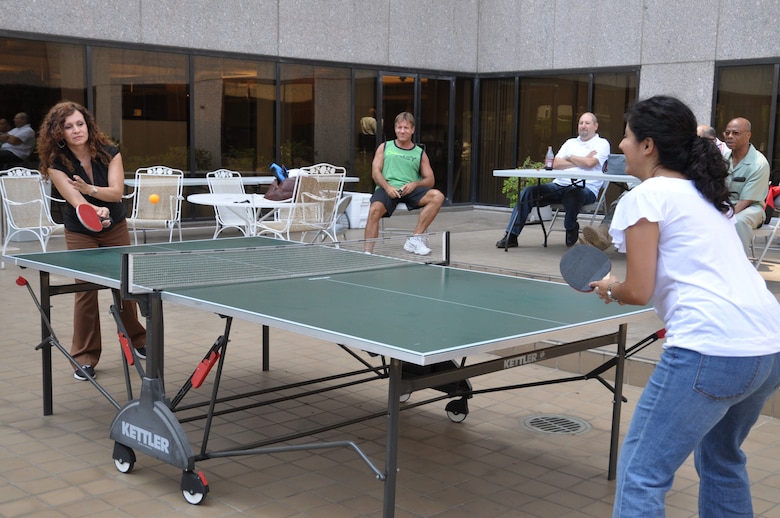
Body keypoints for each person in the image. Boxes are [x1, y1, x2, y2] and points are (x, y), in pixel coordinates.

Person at [588, 96, 780, 517]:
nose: (621, 145)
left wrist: (611, 287)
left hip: (710, 350)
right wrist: (620, 285)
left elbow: (638, 290)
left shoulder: (647, 195)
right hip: (767, 348)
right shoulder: (706, 193)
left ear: (648, 145)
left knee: (642, 473)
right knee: (722, 458)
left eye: (626, 136)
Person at [37, 101, 147, 381]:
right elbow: (75, 201)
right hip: (80, 230)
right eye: (68, 126)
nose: (76, 130)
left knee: (125, 283)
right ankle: (84, 357)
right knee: (85, 291)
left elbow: (116, 192)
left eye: (80, 124)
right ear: (59, 133)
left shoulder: (110, 152)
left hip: (115, 226)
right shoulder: (56, 163)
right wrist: (92, 207)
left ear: (88, 124)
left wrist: (91, 190)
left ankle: (137, 339)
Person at [496, 112, 610, 249]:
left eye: (587, 123)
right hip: (559, 185)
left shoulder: (602, 143)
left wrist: (569, 158)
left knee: (573, 194)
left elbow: (590, 164)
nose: (583, 126)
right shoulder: (570, 142)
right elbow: (554, 163)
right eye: (581, 123)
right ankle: (511, 236)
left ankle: (571, 226)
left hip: (586, 189)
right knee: (528, 192)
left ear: (596, 126)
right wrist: (580, 160)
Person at [364, 112, 444, 255]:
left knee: (437, 196)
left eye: (406, 128)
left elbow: (430, 180)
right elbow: (375, 172)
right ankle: (367, 253)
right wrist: (388, 188)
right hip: (387, 188)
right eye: (399, 127)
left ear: (412, 130)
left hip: (409, 190)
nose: (402, 131)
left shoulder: (419, 153)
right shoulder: (385, 147)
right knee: (374, 210)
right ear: (395, 129)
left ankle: (415, 239)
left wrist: (414, 184)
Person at [722, 117, 770, 256]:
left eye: (735, 133)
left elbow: (745, 201)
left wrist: (724, 216)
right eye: (727, 133)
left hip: (750, 208)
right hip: (726, 205)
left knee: (738, 221)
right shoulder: (722, 158)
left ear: (748, 135)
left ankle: (738, 265)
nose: (729, 136)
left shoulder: (759, 164)